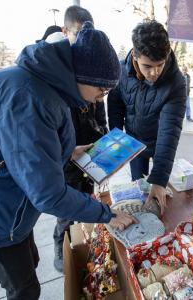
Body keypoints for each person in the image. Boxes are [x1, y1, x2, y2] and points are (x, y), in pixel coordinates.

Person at [0, 22, 136, 300]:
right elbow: (48, 195)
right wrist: (106, 215)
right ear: (82, 76)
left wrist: (70, 151)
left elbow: (26, 149)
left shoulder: (44, 85)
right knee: (23, 289)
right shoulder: (27, 99)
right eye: (101, 91)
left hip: (0, 197)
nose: (100, 98)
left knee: (29, 264)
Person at [43, 6, 110, 273]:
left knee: (88, 200)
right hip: (68, 157)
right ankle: (62, 249)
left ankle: (84, 243)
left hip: (89, 152)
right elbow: (47, 193)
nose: (84, 44)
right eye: (79, 35)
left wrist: (104, 139)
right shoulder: (59, 80)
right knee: (67, 210)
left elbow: (99, 111)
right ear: (65, 32)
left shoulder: (92, 72)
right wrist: (68, 151)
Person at [107, 20, 186, 214]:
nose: (155, 73)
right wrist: (117, 143)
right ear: (134, 55)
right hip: (134, 144)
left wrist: (159, 180)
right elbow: (115, 107)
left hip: (160, 143)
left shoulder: (176, 82)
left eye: (160, 64)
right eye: (148, 66)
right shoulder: (120, 71)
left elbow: (170, 131)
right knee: (138, 189)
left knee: (158, 191)